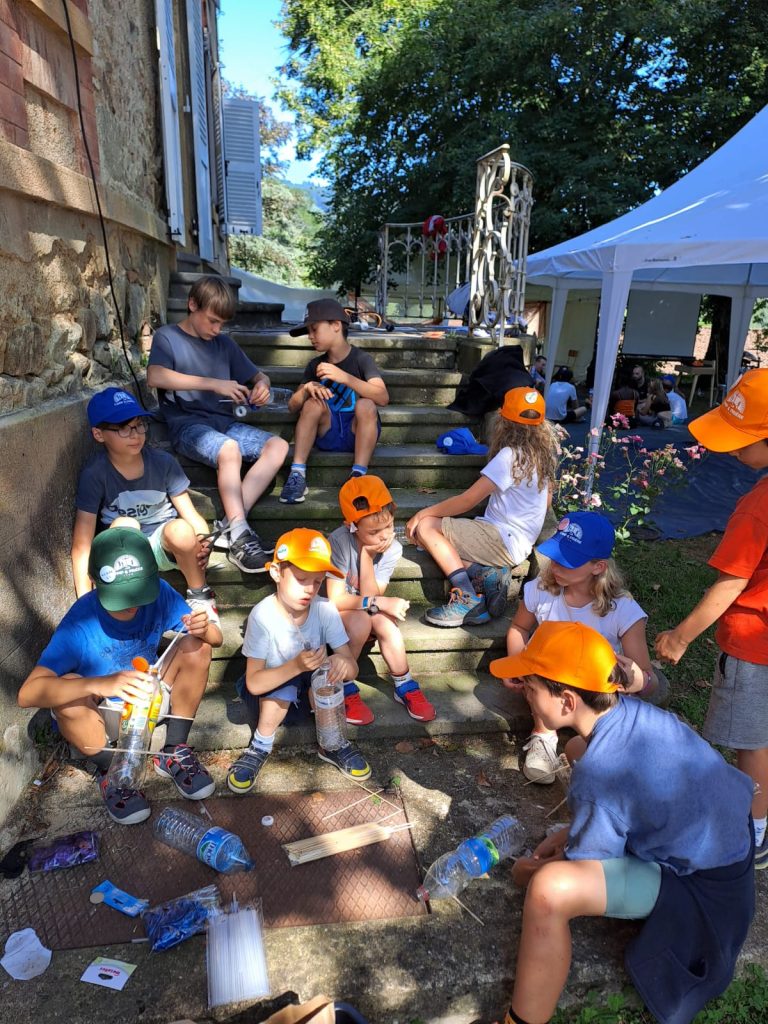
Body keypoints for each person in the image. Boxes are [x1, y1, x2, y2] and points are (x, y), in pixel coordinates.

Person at [486, 621, 754, 1024]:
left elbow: (584, 865)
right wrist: (571, 832)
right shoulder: (628, 712)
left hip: (705, 890)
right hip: (729, 841)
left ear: (567, 701)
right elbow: (622, 795)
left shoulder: (598, 776)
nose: (524, 691)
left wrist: (529, 871)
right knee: (577, 748)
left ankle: (521, 1019)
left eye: (531, 685)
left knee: (548, 891)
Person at [18, 528, 223, 824]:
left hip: (148, 700)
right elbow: (27, 694)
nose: (131, 604)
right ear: (94, 581)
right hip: (104, 718)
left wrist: (205, 629)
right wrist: (101, 683)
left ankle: (174, 749)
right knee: (69, 691)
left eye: (139, 594)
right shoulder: (81, 621)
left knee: (196, 647)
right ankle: (111, 771)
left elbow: (215, 640)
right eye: (120, 597)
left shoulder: (160, 592)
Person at [656, 368, 768, 866]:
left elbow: (731, 583)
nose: (735, 450)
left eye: (744, 440)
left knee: (752, 744)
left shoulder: (756, 507)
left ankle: (752, 833)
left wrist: (681, 636)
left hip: (753, 645)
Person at [504, 511, 669, 784]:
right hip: (550, 682)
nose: (555, 567)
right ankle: (543, 735)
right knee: (543, 669)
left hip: (596, 691)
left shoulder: (623, 610)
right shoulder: (542, 590)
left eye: (567, 562)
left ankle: (597, 749)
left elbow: (646, 679)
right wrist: (516, 663)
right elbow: (519, 628)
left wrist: (640, 680)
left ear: (598, 567)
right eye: (555, 557)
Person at [146, 275, 289, 573]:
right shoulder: (167, 337)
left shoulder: (224, 344)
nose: (216, 329)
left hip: (224, 423)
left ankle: (231, 527)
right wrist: (213, 383)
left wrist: (262, 385)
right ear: (192, 304)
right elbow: (155, 376)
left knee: (278, 446)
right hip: (188, 426)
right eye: (212, 321)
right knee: (229, 449)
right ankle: (240, 536)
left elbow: (259, 375)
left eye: (221, 324)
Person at [226, 527, 371, 793]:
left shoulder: (325, 609)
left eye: (317, 581)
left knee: (326, 675)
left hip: (309, 696)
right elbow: (254, 683)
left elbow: (351, 668)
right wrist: (295, 666)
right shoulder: (263, 615)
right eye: (301, 578)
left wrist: (342, 664)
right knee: (286, 684)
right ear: (276, 573)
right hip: (268, 695)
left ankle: (332, 742)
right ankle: (260, 745)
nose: (310, 589)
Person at [406, 387, 559, 628]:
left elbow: (468, 501)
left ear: (503, 421)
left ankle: (466, 597)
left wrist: (422, 513)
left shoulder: (510, 456)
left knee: (426, 528)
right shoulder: (543, 458)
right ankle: (487, 575)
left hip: (501, 540)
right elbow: (546, 503)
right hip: (520, 544)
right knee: (437, 547)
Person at [72, 387, 216, 616]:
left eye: (139, 425)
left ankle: (201, 595)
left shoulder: (164, 463)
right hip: (121, 555)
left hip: (162, 545)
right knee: (126, 524)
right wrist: (84, 602)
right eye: (123, 428)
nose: (135, 434)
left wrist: (203, 540)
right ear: (99, 434)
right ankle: (125, 606)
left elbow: (191, 515)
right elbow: (82, 543)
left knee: (181, 529)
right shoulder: (95, 473)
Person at [326, 475, 436, 726]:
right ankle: (343, 684)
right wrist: (378, 603)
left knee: (385, 623)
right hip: (337, 613)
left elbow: (373, 595)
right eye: (374, 531)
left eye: (389, 526)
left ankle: (404, 684)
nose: (384, 535)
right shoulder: (339, 541)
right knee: (362, 622)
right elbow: (335, 599)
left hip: (363, 607)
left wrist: (366, 556)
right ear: (352, 526)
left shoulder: (392, 548)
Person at [279, 299, 389, 503]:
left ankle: (358, 475)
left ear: (336, 325)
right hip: (327, 432)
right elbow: (292, 406)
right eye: (308, 332)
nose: (310, 336)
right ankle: (297, 473)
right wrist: (307, 389)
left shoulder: (361, 359)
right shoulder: (315, 365)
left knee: (366, 404)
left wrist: (345, 377)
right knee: (311, 404)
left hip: (357, 434)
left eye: (314, 329)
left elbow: (382, 397)